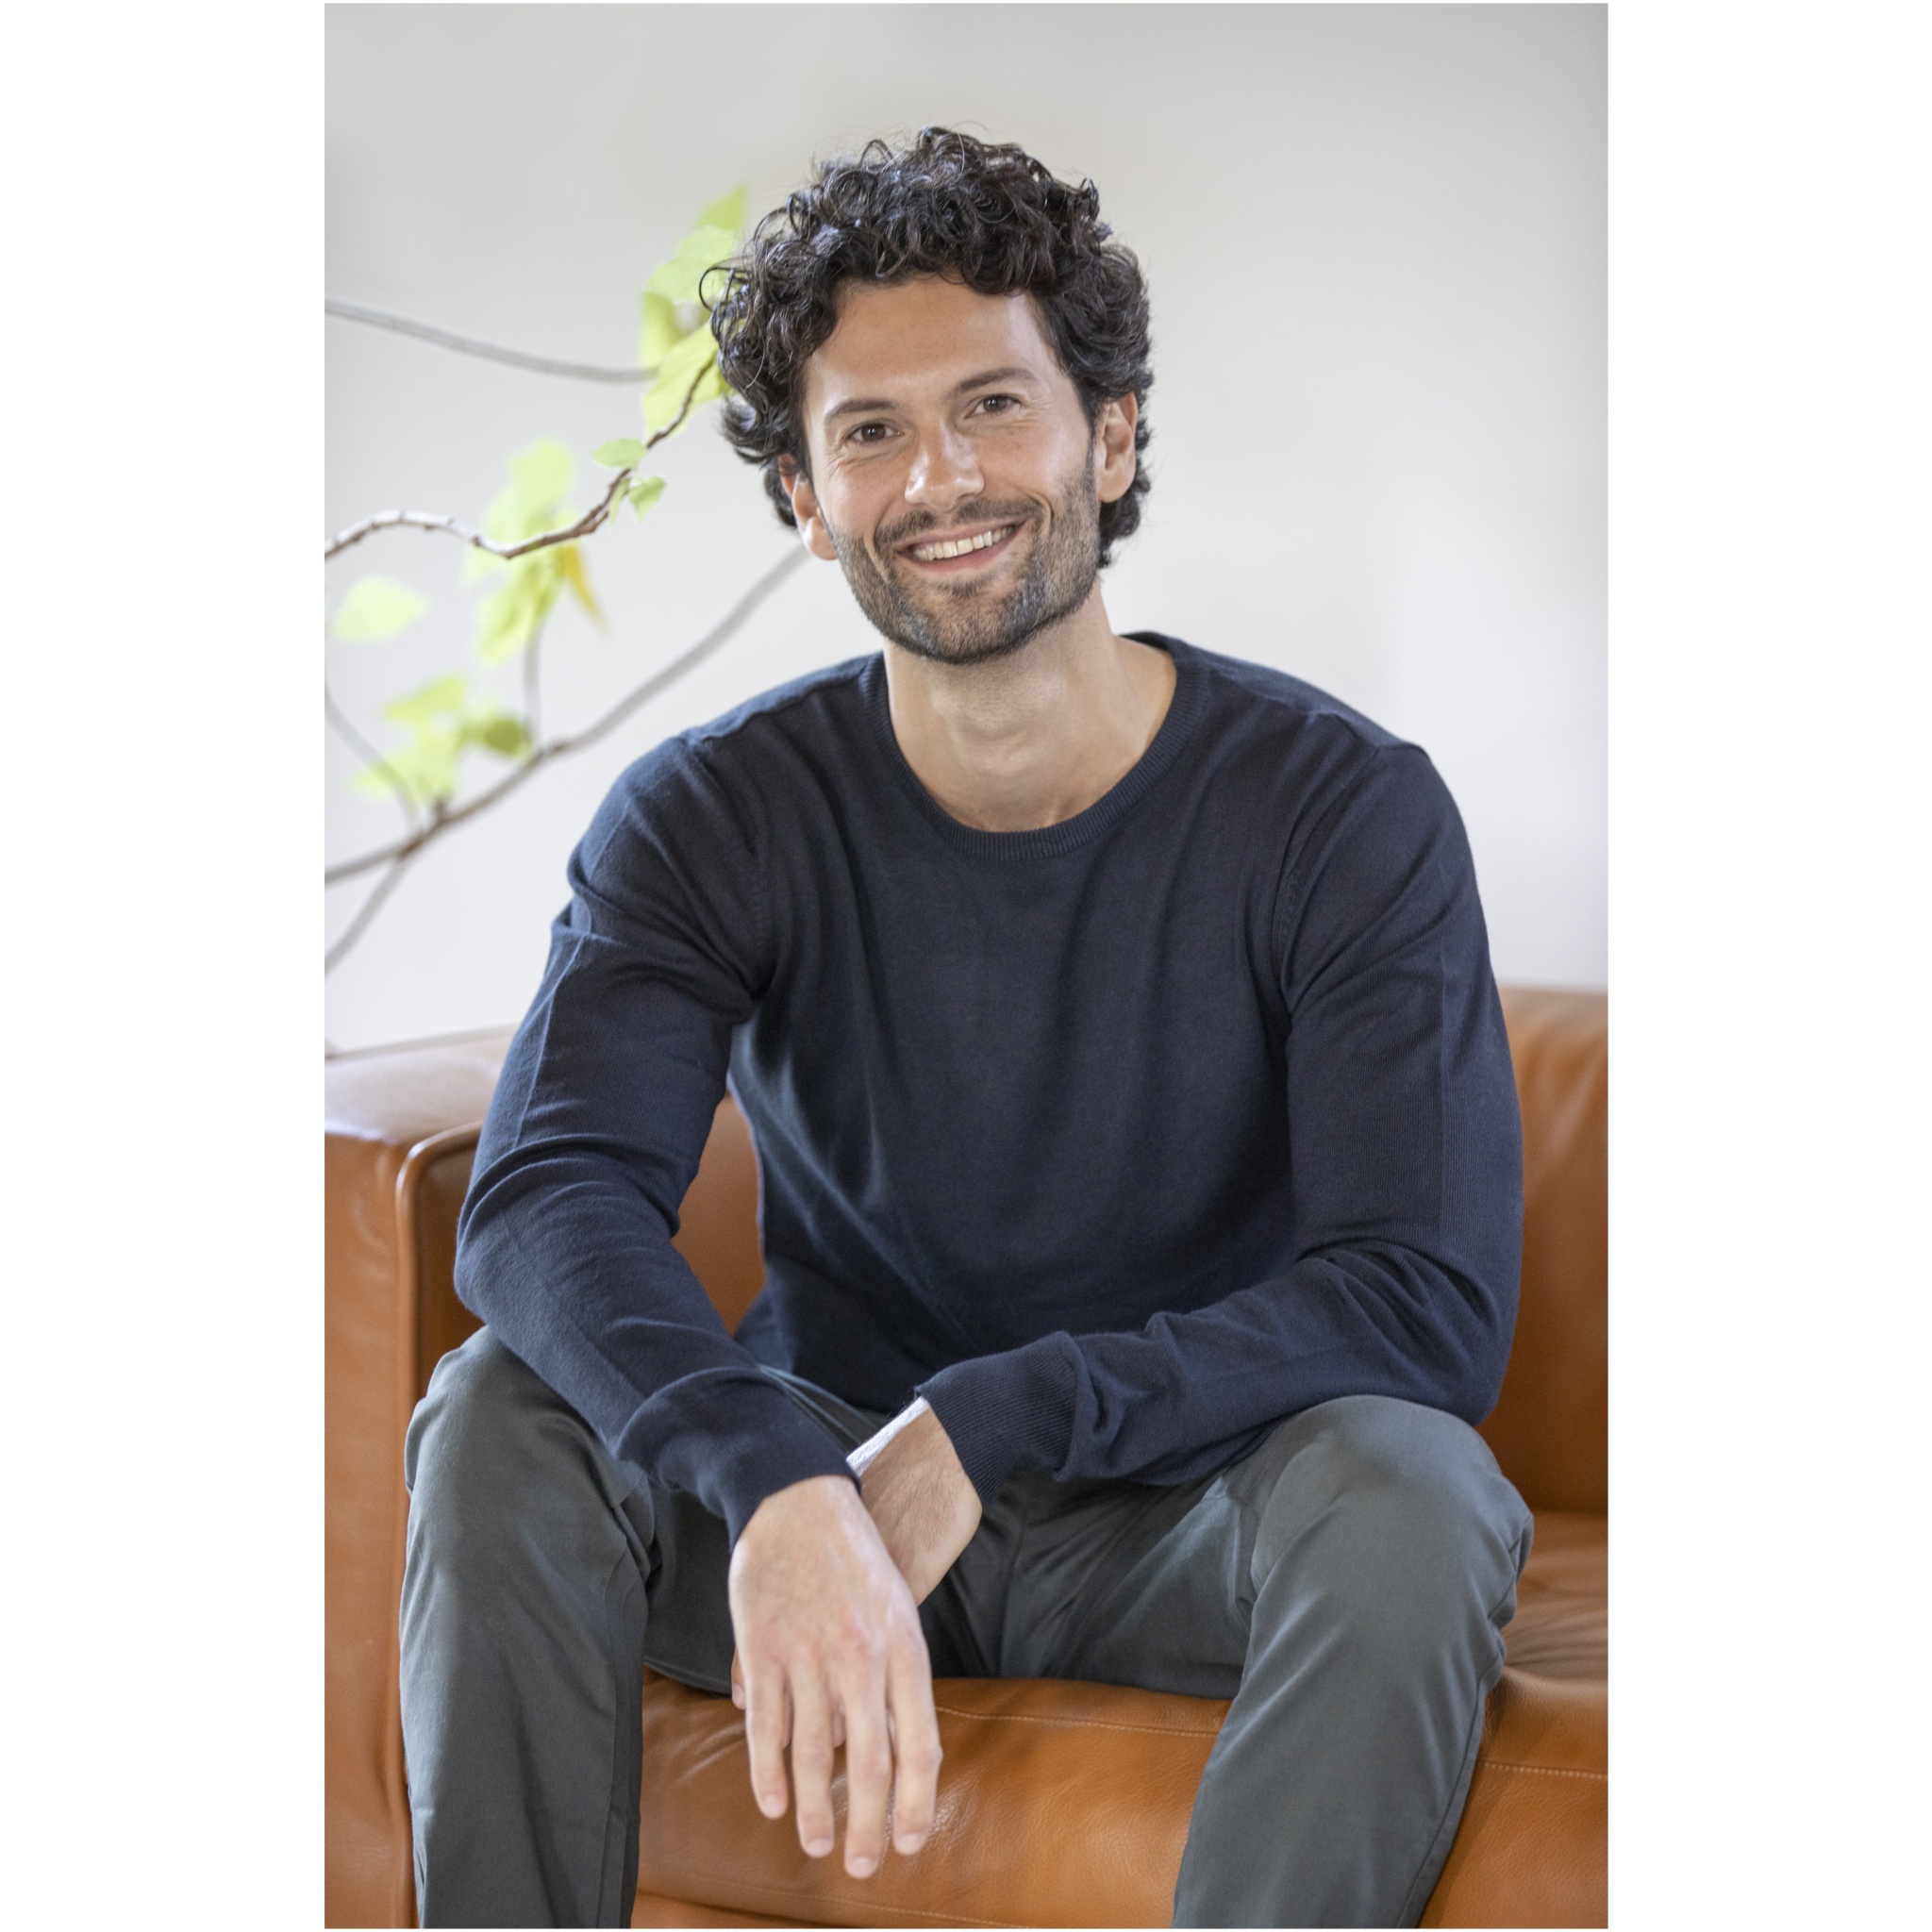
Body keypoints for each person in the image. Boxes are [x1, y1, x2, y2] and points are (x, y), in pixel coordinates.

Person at [399, 128, 1534, 1929]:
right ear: (804, 496)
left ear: (1113, 435)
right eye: (871, 431)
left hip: (1185, 1517)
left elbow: (1422, 1301)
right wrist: (772, 1474)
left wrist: (989, 1420)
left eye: (996, 405)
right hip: (822, 1492)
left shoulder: (1340, 812)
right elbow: (545, 1199)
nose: (941, 478)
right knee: (495, 1415)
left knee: (1416, 1494)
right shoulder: (713, 815)